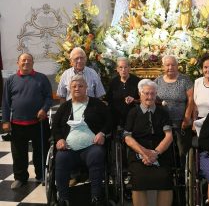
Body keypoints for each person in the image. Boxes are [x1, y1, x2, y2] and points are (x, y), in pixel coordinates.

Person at [52, 75, 111, 206]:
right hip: (69, 148)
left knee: (97, 154)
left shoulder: (97, 104)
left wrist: (102, 133)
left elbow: (109, 121)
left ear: (86, 88)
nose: (77, 88)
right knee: (60, 158)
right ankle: (63, 198)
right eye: (74, 86)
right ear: (69, 89)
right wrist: (59, 139)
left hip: (92, 146)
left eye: (80, 86)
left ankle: (96, 197)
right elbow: (55, 127)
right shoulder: (65, 107)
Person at [1, 53, 52, 189]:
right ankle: (20, 177)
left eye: (29, 60)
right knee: (18, 154)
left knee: (41, 152)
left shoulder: (42, 78)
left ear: (33, 63)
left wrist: (44, 109)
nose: (26, 63)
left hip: (39, 123)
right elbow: (5, 102)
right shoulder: (10, 80)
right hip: (17, 124)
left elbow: (49, 97)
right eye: (23, 60)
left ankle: (41, 175)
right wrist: (5, 121)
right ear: (18, 63)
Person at [124, 79, 173, 206]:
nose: (149, 97)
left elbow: (169, 136)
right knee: (139, 178)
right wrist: (145, 153)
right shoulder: (133, 113)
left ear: (156, 94)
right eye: (146, 93)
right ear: (140, 94)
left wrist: (155, 153)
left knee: (165, 177)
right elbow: (127, 138)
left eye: (152, 93)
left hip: (160, 152)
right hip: (138, 152)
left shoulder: (163, 112)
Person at [155, 55, 194, 167]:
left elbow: (191, 99)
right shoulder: (158, 80)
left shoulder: (184, 79)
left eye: (173, 64)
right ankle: (166, 170)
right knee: (164, 147)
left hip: (180, 121)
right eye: (167, 65)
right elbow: (152, 97)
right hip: (163, 121)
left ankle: (183, 171)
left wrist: (187, 117)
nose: (170, 67)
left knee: (182, 148)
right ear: (163, 67)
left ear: (177, 66)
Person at [107, 57, 140, 128]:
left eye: (125, 67)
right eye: (121, 67)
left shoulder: (137, 81)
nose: (123, 70)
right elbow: (109, 100)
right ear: (117, 69)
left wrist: (134, 100)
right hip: (116, 118)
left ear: (129, 68)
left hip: (134, 117)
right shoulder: (113, 82)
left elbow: (143, 100)